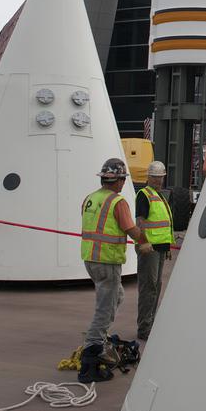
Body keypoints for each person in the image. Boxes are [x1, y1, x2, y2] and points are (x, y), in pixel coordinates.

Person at [79, 156, 152, 383]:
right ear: (118, 180)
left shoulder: (90, 199)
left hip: (90, 258)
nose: (122, 184)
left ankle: (98, 334)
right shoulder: (117, 202)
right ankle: (93, 347)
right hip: (107, 260)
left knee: (116, 296)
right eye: (122, 180)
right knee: (106, 306)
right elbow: (130, 227)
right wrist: (145, 242)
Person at [134, 160, 174, 342]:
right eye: (156, 177)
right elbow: (140, 221)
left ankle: (150, 325)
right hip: (149, 249)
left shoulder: (160, 196)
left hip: (159, 248)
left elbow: (163, 225)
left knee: (155, 287)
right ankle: (144, 328)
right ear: (148, 177)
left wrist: (166, 246)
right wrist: (143, 242)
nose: (159, 181)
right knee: (148, 288)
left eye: (161, 178)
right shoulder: (144, 195)